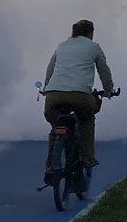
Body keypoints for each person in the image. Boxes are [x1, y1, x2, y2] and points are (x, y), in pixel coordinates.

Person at [42, 19, 116, 166]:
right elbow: (104, 71)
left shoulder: (61, 46)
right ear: (90, 33)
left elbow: (50, 68)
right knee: (87, 119)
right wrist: (108, 90)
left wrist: (46, 88)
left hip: (53, 95)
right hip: (80, 95)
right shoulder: (93, 47)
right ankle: (87, 158)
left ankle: (50, 166)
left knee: (56, 125)